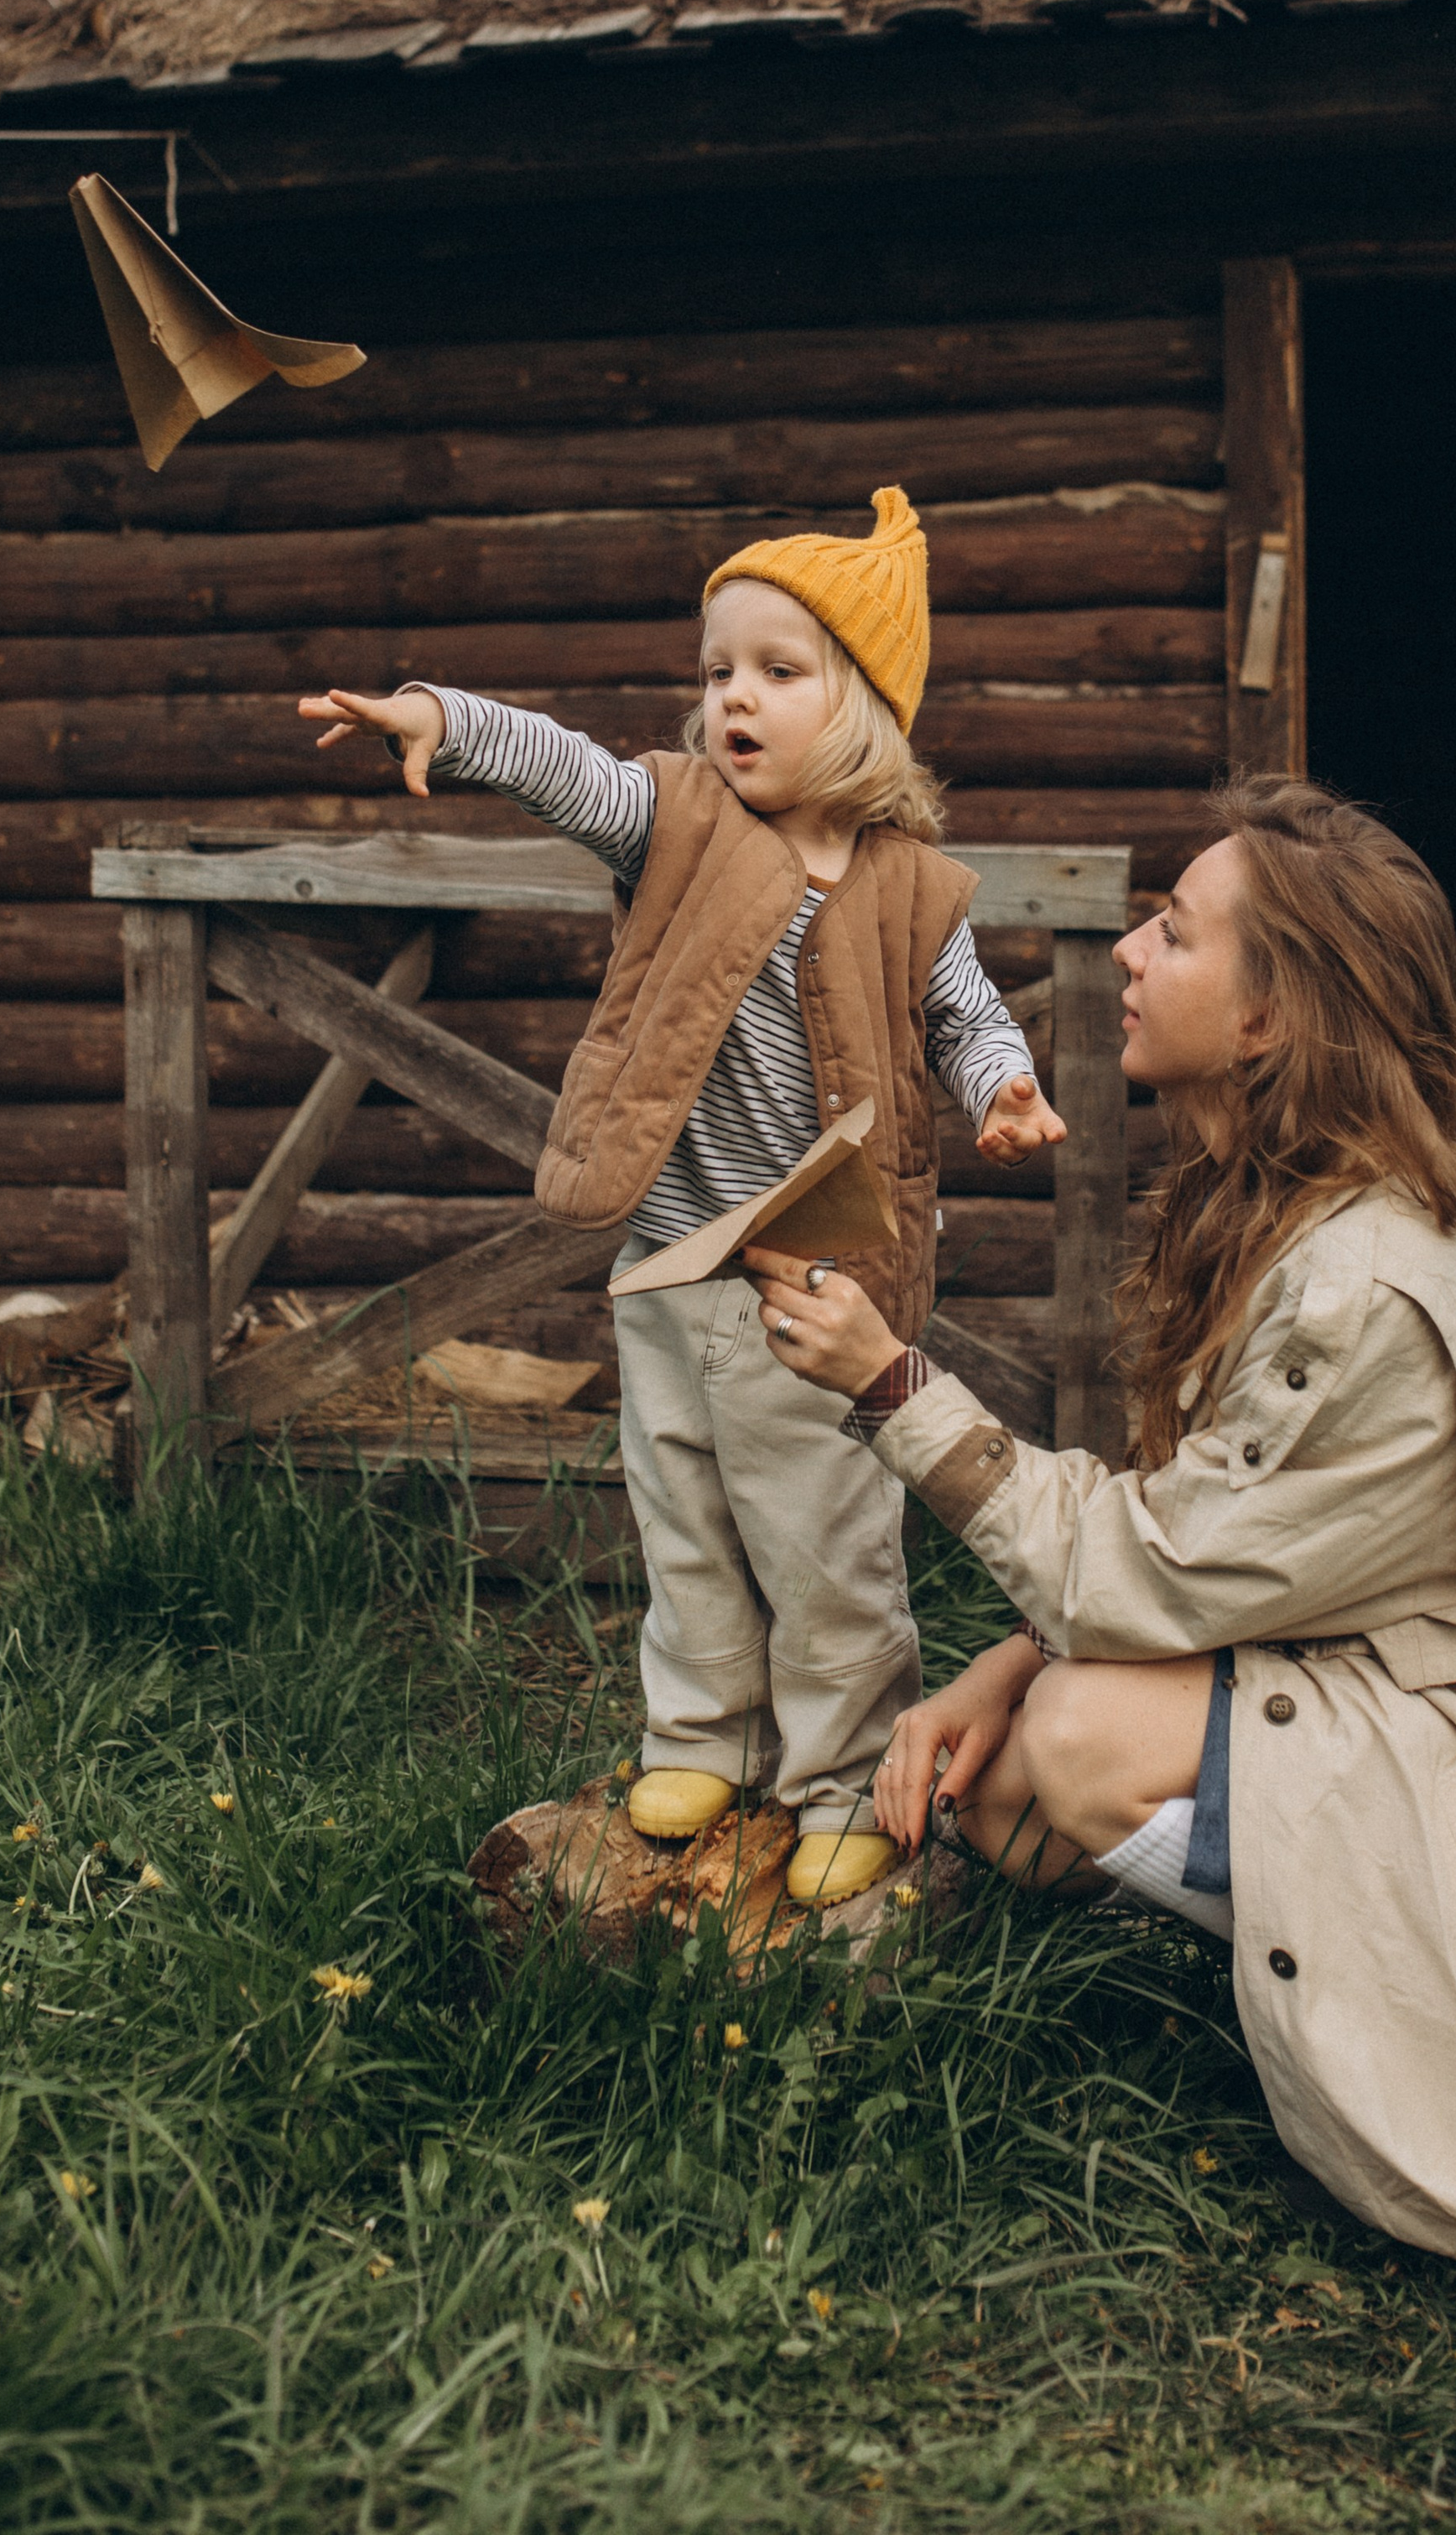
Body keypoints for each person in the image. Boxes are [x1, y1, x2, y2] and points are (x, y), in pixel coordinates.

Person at [747, 773, 1456, 2356]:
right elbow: (1222, 1544)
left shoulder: (1368, 1290)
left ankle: (1413, 2000)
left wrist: (890, 1385)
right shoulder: (1278, 1203)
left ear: (1272, 1020)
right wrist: (1008, 1654)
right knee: (1004, 1777)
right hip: (1421, 1682)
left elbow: (1145, 1579)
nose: (1131, 953)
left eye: (1174, 932)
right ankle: (1292, 1950)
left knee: (1067, 1747)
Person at [299, 487, 1064, 1908]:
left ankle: (840, 1777)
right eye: (717, 672)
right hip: (668, 1256)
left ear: (870, 707)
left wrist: (1003, 1087)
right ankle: (702, 1735)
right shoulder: (678, 824)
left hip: (815, 1288)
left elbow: (967, 1018)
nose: (735, 702)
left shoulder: (912, 889)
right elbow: (570, 768)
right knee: (688, 1515)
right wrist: (442, 720)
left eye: (781, 672)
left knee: (826, 1541)